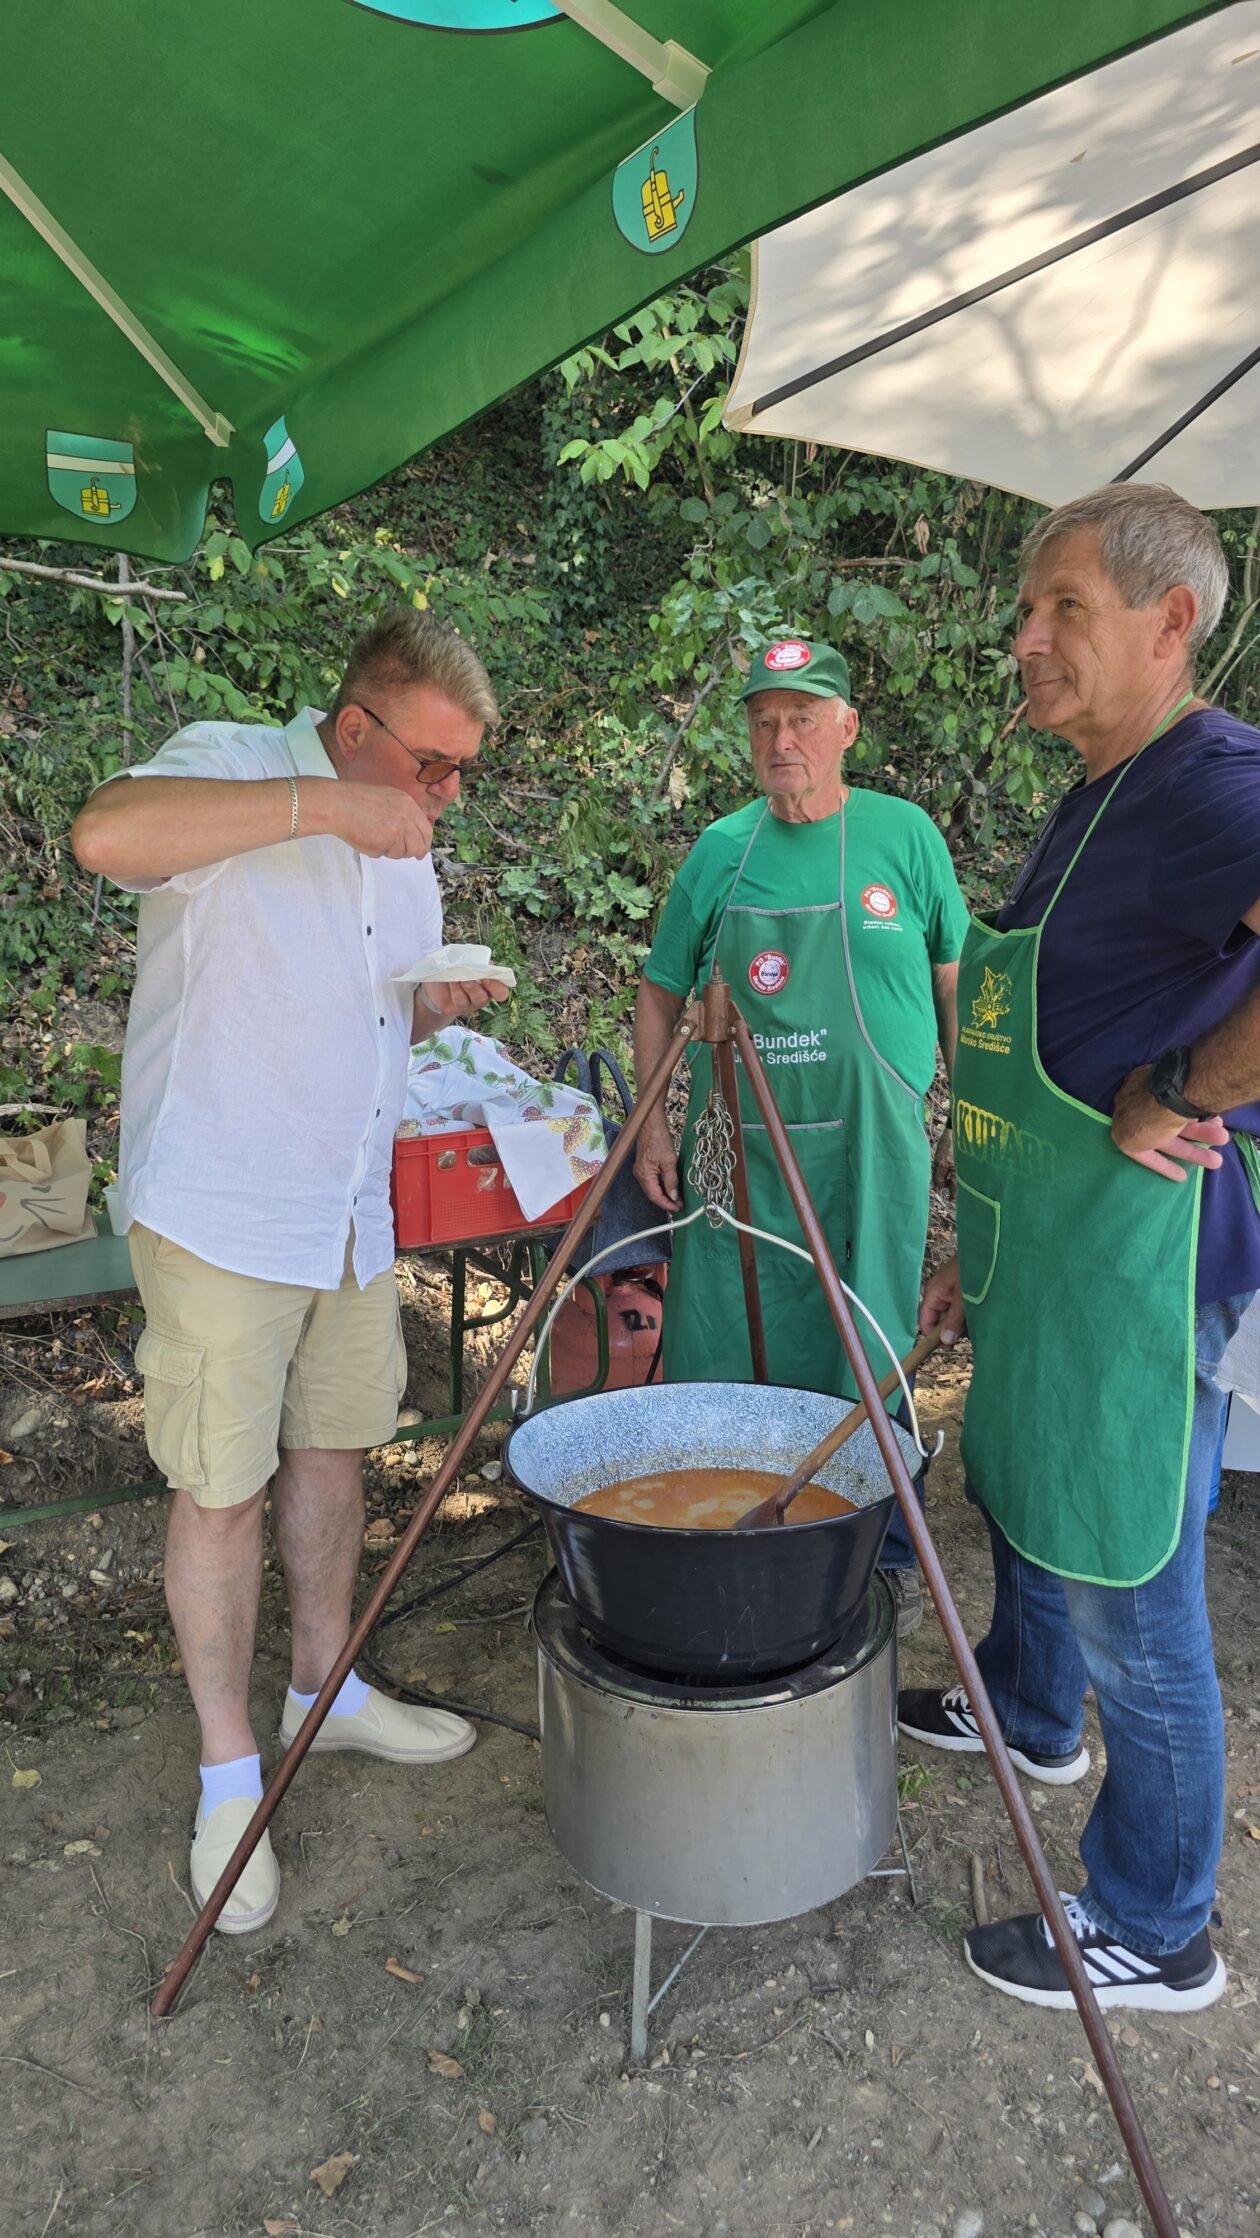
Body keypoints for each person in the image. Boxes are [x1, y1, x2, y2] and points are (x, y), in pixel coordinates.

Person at [71, 610, 510, 1934]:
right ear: (355, 725)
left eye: (462, 770)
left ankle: (329, 1688)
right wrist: (325, 807)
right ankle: (227, 1776)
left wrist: (429, 1002)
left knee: (333, 1451)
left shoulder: (408, 844)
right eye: (430, 763)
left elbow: (369, 997)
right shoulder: (231, 760)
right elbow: (105, 835)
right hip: (224, 1208)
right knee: (220, 1488)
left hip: (346, 1212)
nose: (446, 793)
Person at [901, 483, 1260, 2011]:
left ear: (1171, 622)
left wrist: (1187, 1084)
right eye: (1025, 609)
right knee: (1031, 1485)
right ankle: (1033, 1712)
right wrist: (979, 1237)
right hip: (1047, 1244)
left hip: (1142, 1265)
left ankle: (1157, 1921)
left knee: (1133, 1580)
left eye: (1065, 607)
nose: (1025, 638)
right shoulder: (1104, 788)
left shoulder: (1210, 783)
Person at [633, 638, 967, 1630]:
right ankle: (717, 1533)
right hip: (741, 1159)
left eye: (804, 718)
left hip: (875, 1155)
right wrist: (652, 1128)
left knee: (872, 1337)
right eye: (765, 720)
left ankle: (884, 1555)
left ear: (847, 727)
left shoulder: (905, 837)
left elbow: (955, 984)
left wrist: (970, 1118)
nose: (783, 739)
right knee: (730, 1330)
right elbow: (659, 994)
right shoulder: (721, 850)